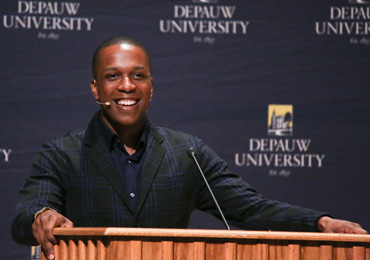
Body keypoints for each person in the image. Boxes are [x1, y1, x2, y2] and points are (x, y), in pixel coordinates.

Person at [11, 36, 367, 260]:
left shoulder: (187, 153)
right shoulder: (62, 152)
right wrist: (42, 216)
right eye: (112, 76)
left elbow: (252, 209)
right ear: (95, 89)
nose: (126, 86)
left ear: (152, 86)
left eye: (138, 75)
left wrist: (320, 222)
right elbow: (25, 215)